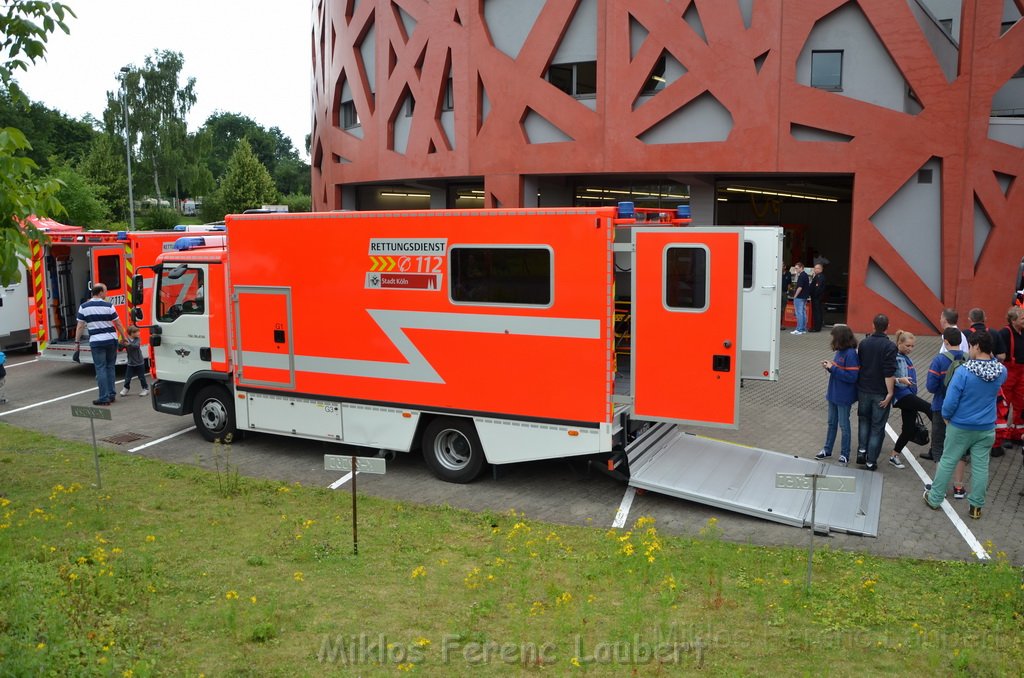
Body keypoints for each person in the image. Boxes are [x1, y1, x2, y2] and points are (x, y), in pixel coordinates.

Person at [924, 330, 1007, 519]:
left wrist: (946, 417)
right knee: (980, 467)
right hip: (986, 427)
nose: (968, 349)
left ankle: (935, 498)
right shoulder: (1001, 371)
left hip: (961, 425)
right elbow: (996, 373)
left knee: (947, 460)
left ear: (977, 346)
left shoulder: (964, 371)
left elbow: (951, 401)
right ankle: (976, 507)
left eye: (970, 346)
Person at [75, 284, 127, 406]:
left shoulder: (84, 307)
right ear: (100, 293)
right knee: (110, 367)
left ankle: (104, 398)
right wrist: (124, 338)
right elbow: (118, 323)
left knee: (101, 368)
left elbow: (80, 326)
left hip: (97, 341)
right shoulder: (109, 306)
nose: (107, 294)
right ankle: (111, 394)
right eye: (106, 291)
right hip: (111, 340)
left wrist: (77, 342)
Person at [856, 314, 897, 471]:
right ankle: (871, 461)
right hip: (880, 391)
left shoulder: (864, 343)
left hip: (864, 389)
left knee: (863, 421)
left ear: (873, 325)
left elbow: (860, 365)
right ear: (887, 327)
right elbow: (889, 372)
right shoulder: (890, 347)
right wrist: (890, 393)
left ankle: (861, 451)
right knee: (877, 427)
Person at [887, 330, 932, 469]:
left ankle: (894, 455)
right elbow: (888, 377)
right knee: (929, 408)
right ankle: (943, 436)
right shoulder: (895, 357)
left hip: (908, 394)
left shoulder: (906, 357)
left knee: (908, 429)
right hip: (901, 396)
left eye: (912, 346)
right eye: (907, 345)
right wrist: (901, 380)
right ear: (899, 343)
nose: (910, 349)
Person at [815, 325, 859, 464]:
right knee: (831, 423)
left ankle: (844, 454)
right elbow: (839, 371)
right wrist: (830, 368)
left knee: (844, 425)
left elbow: (852, 377)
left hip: (843, 396)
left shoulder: (851, 354)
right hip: (834, 394)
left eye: (834, 337)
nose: (832, 340)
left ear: (840, 338)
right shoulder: (840, 351)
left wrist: (832, 368)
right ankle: (827, 450)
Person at [921, 327, 965, 465]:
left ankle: (940, 481)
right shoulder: (968, 358)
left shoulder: (939, 360)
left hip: (941, 406)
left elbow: (931, 386)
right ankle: (958, 482)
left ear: (945, 342)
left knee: (938, 445)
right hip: (962, 407)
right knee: (958, 445)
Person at [997, 306, 1024, 446]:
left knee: (1021, 403)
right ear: (1013, 320)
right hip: (1009, 372)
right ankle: (1004, 435)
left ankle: (1017, 433)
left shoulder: (1022, 332)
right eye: (1022, 318)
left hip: (1021, 373)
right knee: (1005, 404)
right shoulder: (1005, 333)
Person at [118, 325, 150, 398]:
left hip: (140, 362)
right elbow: (120, 349)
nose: (138, 333)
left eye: (138, 331)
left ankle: (145, 389)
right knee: (127, 377)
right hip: (130, 362)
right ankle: (126, 388)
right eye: (136, 332)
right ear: (131, 333)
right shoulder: (126, 340)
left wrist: (128, 344)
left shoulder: (137, 339)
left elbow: (136, 346)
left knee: (141, 377)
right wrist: (121, 343)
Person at [791, 262, 810, 335]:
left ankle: (799, 329)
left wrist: (795, 296)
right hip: (804, 296)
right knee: (803, 312)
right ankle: (803, 328)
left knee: (799, 313)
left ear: (801, 268)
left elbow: (800, 287)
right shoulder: (805, 275)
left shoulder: (801, 276)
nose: (795, 270)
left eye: (797, 268)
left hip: (799, 297)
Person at [808, 263, 826, 332]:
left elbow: (817, 288)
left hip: (817, 298)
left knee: (817, 312)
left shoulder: (819, 277)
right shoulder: (817, 276)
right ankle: (817, 326)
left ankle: (816, 328)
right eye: (814, 268)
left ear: (820, 269)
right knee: (817, 312)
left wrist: (814, 295)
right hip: (817, 297)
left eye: (816, 268)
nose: (814, 269)